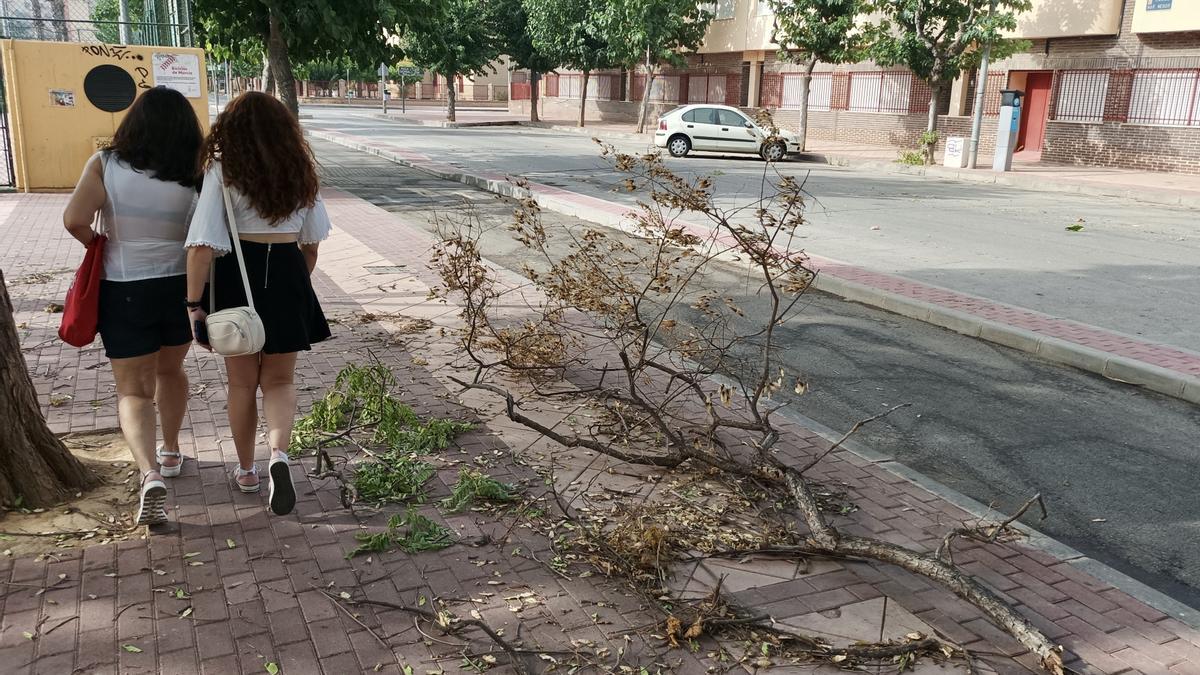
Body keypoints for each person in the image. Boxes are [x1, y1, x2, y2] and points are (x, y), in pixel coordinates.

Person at [185, 92, 332, 517]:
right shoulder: (300, 169)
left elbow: (200, 247)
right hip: (288, 269)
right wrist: (291, 287)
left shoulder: (223, 168)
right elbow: (312, 243)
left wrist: (194, 304)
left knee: (241, 384)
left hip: (238, 274)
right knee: (281, 382)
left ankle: (248, 470)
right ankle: (279, 457)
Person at [62, 87, 203, 526]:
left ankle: (149, 473)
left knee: (133, 391)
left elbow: (74, 219)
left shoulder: (105, 164)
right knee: (171, 371)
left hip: (123, 285)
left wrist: (101, 245)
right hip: (180, 286)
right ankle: (173, 450)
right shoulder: (195, 171)